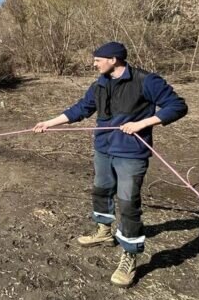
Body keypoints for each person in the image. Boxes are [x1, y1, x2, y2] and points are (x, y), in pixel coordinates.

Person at [33, 41, 188, 287]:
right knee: (101, 190)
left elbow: (177, 106)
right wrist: (48, 123)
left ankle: (130, 254)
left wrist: (142, 124)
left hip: (131, 153)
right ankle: (104, 232)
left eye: (98, 59)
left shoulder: (146, 81)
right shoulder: (100, 84)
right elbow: (81, 109)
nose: (94, 63)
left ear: (113, 60)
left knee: (128, 203)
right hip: (103, 150)